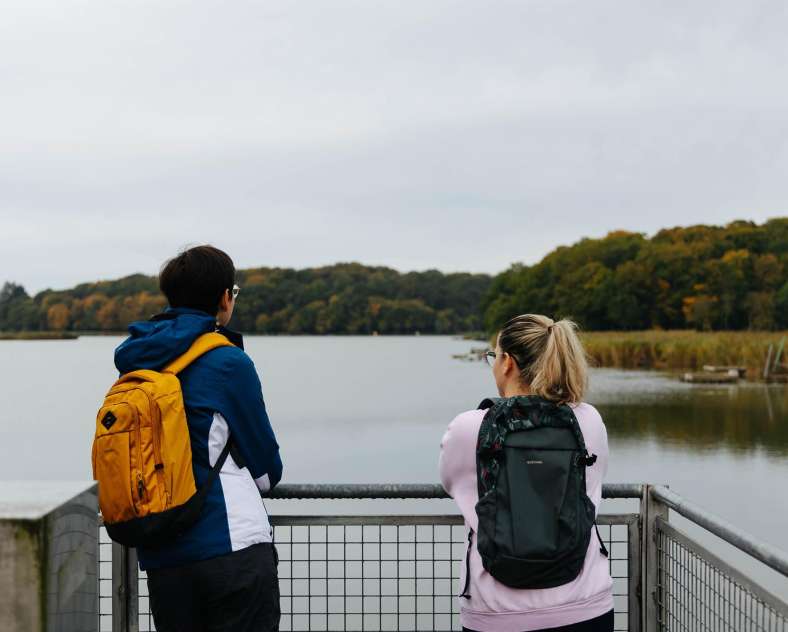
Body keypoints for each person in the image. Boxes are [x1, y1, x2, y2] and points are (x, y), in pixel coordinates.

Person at [113, 245, 283, 632]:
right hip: (232, 553)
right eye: (233, 293)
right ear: (225, 298)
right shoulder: (227, 362)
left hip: (163, 556)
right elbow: (267, 473)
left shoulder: (138, 362)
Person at [439, 314, 614, 632]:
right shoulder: (589, 420)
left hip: (497, 612)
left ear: (507, 362)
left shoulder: (468, 428)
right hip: (585, 606)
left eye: (493, 356)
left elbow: (452, 483)